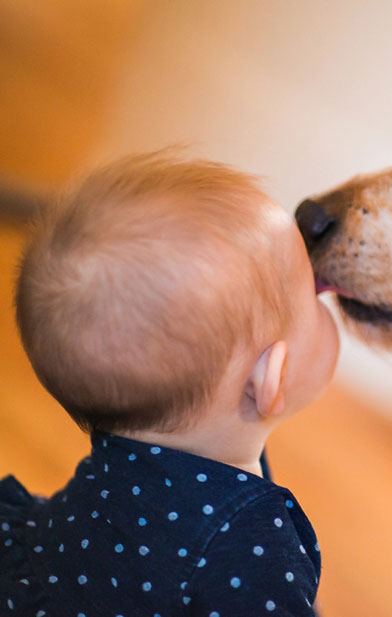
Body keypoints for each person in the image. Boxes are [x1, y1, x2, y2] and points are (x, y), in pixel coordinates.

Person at [0, 152, 339, 616]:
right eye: (311, 297)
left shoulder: (132, 455)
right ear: (269, 379)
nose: (325, 295)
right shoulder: (250, 549)